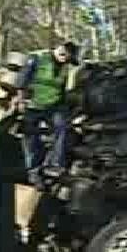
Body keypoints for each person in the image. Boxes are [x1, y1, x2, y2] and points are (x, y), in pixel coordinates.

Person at [18, 41, 79, 189]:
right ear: (61, 51)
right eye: (66, 57)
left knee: (62, 127)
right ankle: (33, 171)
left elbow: (62, 89)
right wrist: (21, 101)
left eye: (69, 60)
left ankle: (55, 165)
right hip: (33, 104)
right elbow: (22, 80)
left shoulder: (65, 67)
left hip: (53, 106)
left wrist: (69, 110)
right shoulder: (38, 58)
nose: (66, 61)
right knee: (30, 137)